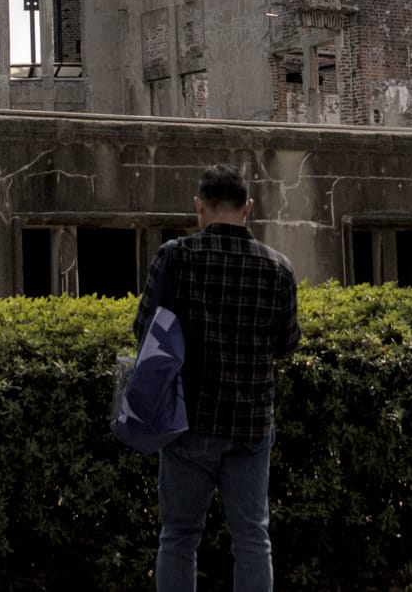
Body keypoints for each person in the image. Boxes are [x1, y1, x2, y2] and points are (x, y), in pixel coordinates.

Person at [135, 162, 301, 592]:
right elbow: (285, 344)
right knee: (252, 539)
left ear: (199, 207)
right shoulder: (278, 269)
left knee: (178, 538)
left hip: (188, 421)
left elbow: (145, 330)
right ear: (248, 208)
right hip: (250, 424)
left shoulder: (175, 257)